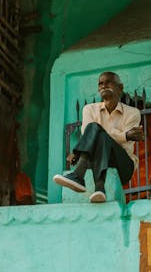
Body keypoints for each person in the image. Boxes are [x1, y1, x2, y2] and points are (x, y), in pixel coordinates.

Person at [53, 71, 144, 203]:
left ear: (120, 88)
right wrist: (125, 135)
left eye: (108, 82)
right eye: (100, 83)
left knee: (98, 133)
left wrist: (106, 134)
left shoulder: (133, 113)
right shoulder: (89, 109)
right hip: (94, 161)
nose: (103, 86)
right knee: (95, 130)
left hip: (123, 165)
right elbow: (87, 133)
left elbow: (102, 139)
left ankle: (78, 175)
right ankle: (99, 189)